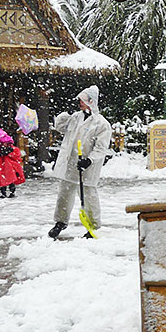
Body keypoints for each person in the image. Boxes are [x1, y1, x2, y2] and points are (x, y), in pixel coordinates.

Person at [48, 86, 111, 238]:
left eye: (82, 100)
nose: (79, 103)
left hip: (88, 166)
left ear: (91, 101)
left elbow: (101, 147)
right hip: (71, 163)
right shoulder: (75, 117)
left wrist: (90, 160)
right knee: (65, 192)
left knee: (88, 194)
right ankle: (60, 222)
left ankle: (93, 226)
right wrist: (66, 114)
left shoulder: (101, 124)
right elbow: (60, 126)